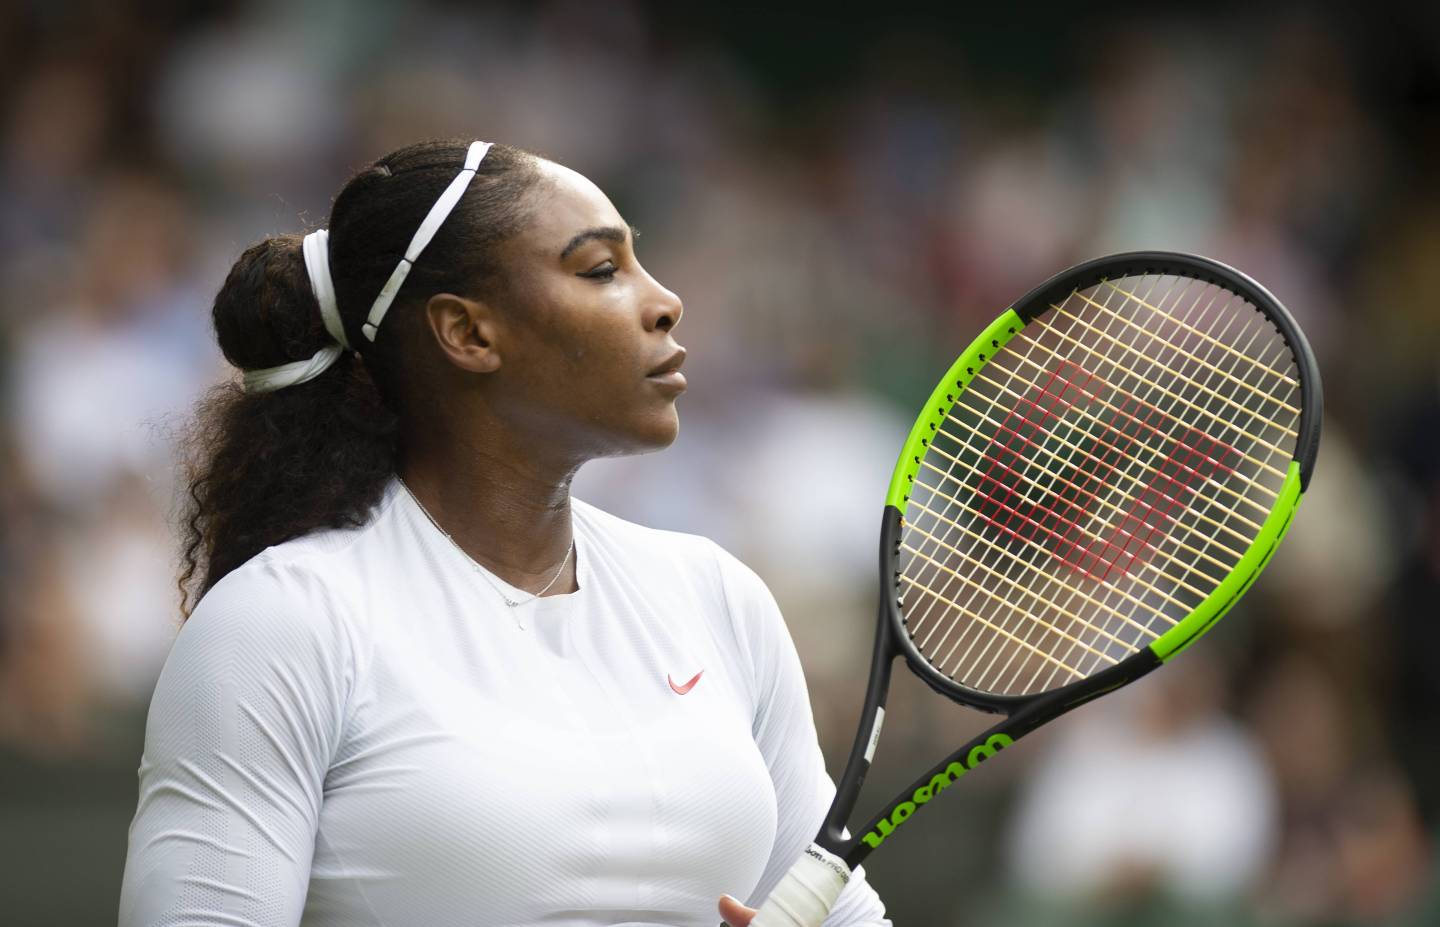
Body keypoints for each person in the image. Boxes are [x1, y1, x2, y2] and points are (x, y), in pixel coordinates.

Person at [117, 139, 891, 927]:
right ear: (467, 333)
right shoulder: (280, 623)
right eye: (601, 270)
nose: (665, 301)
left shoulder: (717, 596)